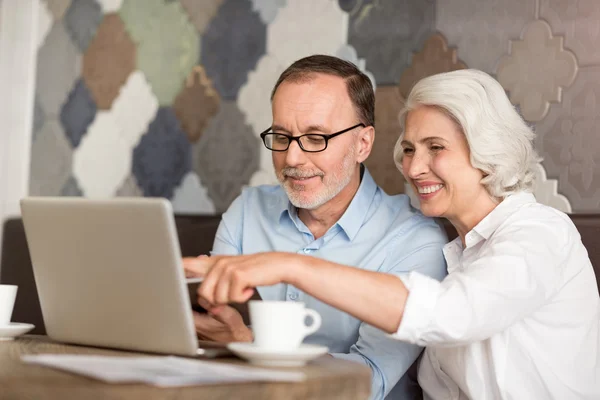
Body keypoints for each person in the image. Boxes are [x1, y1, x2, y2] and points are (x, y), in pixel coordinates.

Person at [190, 69, 600, 399]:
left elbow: (450, 315)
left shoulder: (542, 234)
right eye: (409, 149)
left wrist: (290, 266)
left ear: (488, 152)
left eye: (436, 148)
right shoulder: (458, 253)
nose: (414, 167)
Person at [183, 55, 448, 399]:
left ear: (362, 144)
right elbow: (212, 339)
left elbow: (368, 382)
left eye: (315, 137)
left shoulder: (414, 240)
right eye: (281, 136)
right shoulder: (248, 210)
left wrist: (245, 344)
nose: (292, 159)